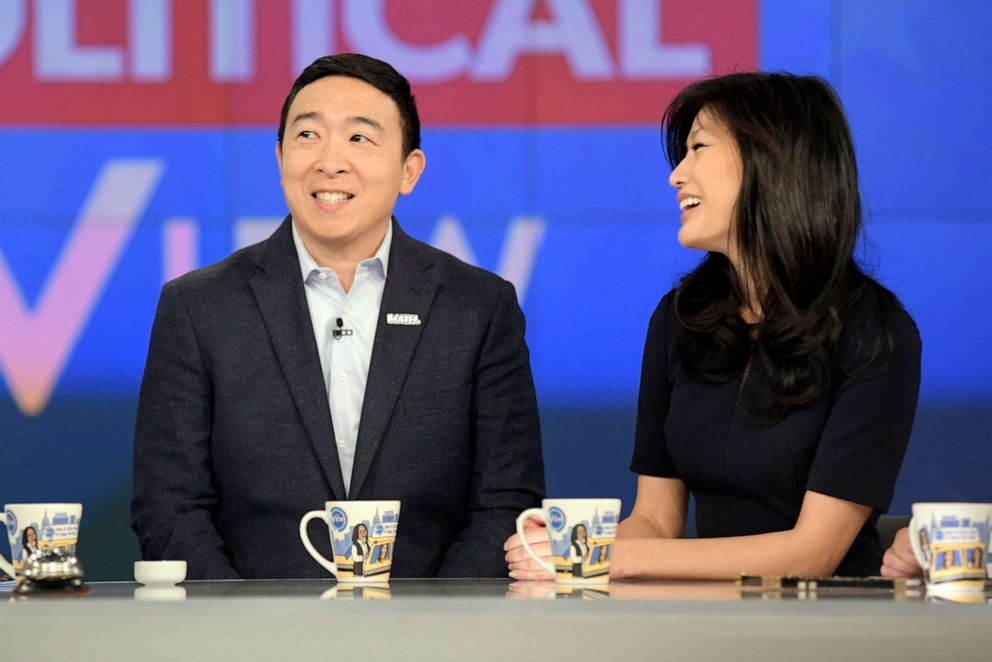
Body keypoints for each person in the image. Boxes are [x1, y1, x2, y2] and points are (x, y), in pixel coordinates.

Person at [132, 53, 545, 579]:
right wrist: (236, 629)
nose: (330, 161)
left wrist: (434, 628)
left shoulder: (477, 306)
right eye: (308, 136)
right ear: (281, 157)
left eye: (359, 138)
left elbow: (506, 502)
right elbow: (169, 507)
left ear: (409, 170)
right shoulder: (199, 307)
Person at [506, 72, 920, 580]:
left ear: (771, 159)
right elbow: (656, 520)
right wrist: (568, 548)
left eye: (698, 147)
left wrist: (604, 557)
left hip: (824, 625)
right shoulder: (680, 318)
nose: (675, 175)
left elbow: (813, 553)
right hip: (703, 615)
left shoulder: (875, 330)